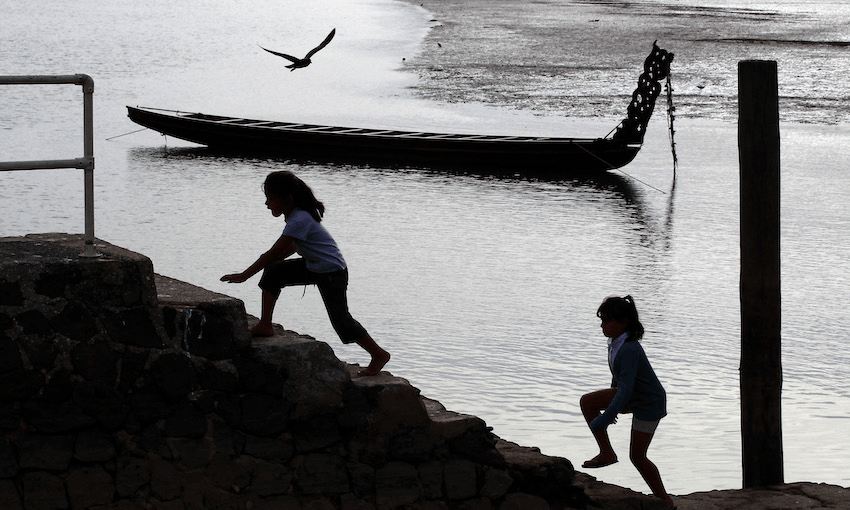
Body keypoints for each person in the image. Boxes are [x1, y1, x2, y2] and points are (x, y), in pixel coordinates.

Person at [221, 170, 390, 376]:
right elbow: (292, 246)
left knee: (341, 320)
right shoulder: (296, 216)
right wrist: (275, 260)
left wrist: (244, 275)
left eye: (270, 198)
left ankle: (379, 354)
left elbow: (273, 252)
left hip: (332, 272)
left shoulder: (299, 218)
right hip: (315, 266)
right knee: (274, 272)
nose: (267, 204)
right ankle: (265, 325)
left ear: (286, 198)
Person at [579, 295, 675, 509]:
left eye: (607, 321)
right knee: (587, 402)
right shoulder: (615, 343)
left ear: (624, 323)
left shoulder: (630, 349)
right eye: (602, 321)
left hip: (649, 403)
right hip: (632, 396)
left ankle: (664, 500)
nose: (603, 325)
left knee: (637, 456)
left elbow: (626, 389)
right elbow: (618, 380)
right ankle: (607, 452)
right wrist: (613, 404)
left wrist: (607, 416)